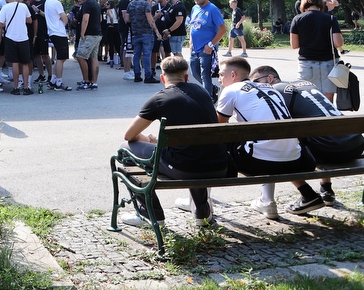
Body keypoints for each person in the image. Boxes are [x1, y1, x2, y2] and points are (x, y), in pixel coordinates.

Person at [119, 55, 227, 229]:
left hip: (185, 169)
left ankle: (150, 214)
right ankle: (202, 214)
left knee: (125, 150)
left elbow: (129, 135)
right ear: (186, 77)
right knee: (195, 149)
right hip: (219, 165)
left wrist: (149, 140)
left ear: (163, 78)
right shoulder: (202, 92)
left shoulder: (159, 99)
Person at [215, 56, 325, 218]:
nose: (219, 80)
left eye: (221, 75)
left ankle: (201, 205)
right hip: (296, 159)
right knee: (268, 142)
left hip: (260, 163)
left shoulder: (230, 90)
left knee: (220, 142)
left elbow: (219, 128)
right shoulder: (270, 88)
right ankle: (304, 194)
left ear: (232, 75)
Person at [254, 65, 364, 206]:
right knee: (322, 132)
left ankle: (306, 195)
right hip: (355, 144)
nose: (254, 86)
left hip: (331, 150)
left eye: (256, 82)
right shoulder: (304, 86)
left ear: (270, 78)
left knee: (282, 148)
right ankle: (326, 189)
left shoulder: (275, 91)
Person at [290, 0, 343, 101]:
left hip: (307, 62)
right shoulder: (330, 18)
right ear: (320, 2)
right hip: (328, 63)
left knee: (308, 99)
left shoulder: (297, 19)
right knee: (328, 100)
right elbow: (338, 43)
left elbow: (294, 45)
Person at [187, 0, 226, 99]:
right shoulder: (195, 8)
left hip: (206, 48)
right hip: (195, 47)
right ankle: (212, 88)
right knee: (194, 72)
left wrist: (210, 45)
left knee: (205, 74)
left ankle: (208, 98)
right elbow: (193, 27)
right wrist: (191, 42)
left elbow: (222, 30)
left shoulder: (212, 9)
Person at [0, 0, 33, 95]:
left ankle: (16, 87)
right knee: (25, 63)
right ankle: (26, 87)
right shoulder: (23, 6)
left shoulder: (5, 8)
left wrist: (6, 23)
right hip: (23, 37)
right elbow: (29, 20)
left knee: (15, 63)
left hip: (10, 37)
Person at [127, 0, 161, 83]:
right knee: (147, 55)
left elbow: (127, 19)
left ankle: (137, 75)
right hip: (146, 33)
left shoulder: (131, 4)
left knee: (136, 55)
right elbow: (150, 20)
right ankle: (148, 76)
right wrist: (157, 32)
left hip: (135, 33)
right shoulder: (145, 4)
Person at [44, 0, 72, 91]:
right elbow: (65, 19)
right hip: (59, 32)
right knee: (61, 58)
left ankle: (53, 80)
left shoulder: (48, 1)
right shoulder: (56, 3)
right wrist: (65, 17)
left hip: (52, 31)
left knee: (59, 58)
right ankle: (58, 83)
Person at [74, 0, 102, 90]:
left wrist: (82, 33)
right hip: (97, 33)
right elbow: (99, 19)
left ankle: (86, 81)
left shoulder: (86, 4)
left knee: (80, 56)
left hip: (89, 34)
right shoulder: (95, 3)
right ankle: (94, 82)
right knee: (93, 57)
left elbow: (85, 19)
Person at [116, 0, 136, 79]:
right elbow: (125, 16)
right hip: (126, 28)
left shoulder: (128, 1)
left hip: (128, 28)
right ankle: (126, 71)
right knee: (126, 49)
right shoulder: (124, 1)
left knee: (129, 49)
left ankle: (128, 70)